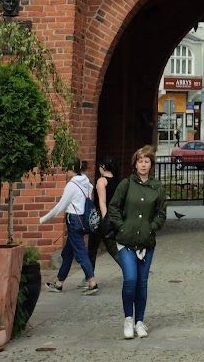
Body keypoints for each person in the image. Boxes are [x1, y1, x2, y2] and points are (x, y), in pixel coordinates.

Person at [107, 144, 167, 339]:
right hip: (126, 241)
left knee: (142, 282)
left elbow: (161, 212)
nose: (143, 164)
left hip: (146, 242)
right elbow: (114, 207)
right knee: (130, 279)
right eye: (140, 161)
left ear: (151, 164)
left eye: (146, 161)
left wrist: (152, 227)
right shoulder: (126, 184)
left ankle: (139, 321)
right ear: (135, 164)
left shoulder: (157, 187)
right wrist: (121, 226)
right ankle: (128, 319)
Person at [40, 160, 98, 295]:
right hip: (83, 220)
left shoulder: (72, 185)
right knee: (68, 253)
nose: (66, 172)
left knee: (80, 252)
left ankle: (92, 282)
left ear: (72, 170)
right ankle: (59, 283)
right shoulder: (87, 183)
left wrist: (44, 219)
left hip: (73, 220)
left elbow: (60, 206)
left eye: (67, 169)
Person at [86, 157, 120, 277]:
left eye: (100, 166)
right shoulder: (116, 181)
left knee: (92, 248)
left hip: (101, 217)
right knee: (113, 248)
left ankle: (89, 277)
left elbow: (102, 202)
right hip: (113, 215)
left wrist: (105, 220)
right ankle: (130, 271)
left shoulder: (101, 181)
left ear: (103, 167)